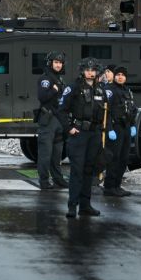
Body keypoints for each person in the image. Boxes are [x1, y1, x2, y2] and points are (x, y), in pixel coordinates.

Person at [60, 57, 110, 218]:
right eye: (87, 70)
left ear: (97, 72)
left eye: (93, 70)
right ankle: (72, 206)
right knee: (77, 170)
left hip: (94, 134)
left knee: (90, 170)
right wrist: (69, 128)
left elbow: (105, 112)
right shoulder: (73, 87)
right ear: (82, 71)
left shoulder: (100, 90)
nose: (90, 73)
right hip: (79, 133)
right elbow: (62, 110)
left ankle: (85, 205)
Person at [35, 51, 69, 190]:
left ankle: (58, 179)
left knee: (57, 154)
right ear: (50, 63)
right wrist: (54, 90)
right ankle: (44, 181)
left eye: (60, 63)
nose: (58, 65)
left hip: (59, 120)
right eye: (56, 62)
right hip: (48, 119)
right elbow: (42, 97)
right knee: (46, 153)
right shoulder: (46, 79)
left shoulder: (60, 79)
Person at [103, 66, 138, 197]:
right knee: (114, 158)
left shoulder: (127, 91)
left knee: (124, 159)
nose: (120, 77)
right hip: (115, 127)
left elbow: (132, 109)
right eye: (118, 74)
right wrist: (109, 129)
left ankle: (117, 185)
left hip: (126, 127)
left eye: (123, 75)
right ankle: (109, 186)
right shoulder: (109, 90)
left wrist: (133, 125)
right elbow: (106, 112)